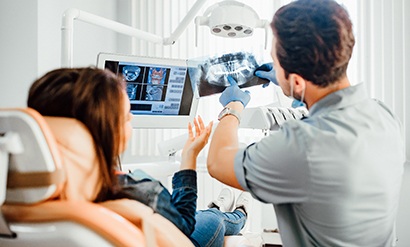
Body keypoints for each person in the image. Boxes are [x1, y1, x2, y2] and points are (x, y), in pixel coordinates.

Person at [207, 0, 405, 246]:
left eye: (276, 62)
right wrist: (301, 95)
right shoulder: (384, 115)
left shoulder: (302, 146)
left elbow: (217, 162)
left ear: (298, 81)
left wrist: (233, 107)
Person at [27, 67, 250, 247]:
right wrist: (190, 155)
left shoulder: (30, 199)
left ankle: (221, 204)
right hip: (181, 236)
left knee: (206, 213)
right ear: (106, 132)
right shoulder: (141, 193)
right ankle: (239, 213)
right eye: (125, 117)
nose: (131, 118)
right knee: (212, 218)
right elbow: (184, 225)